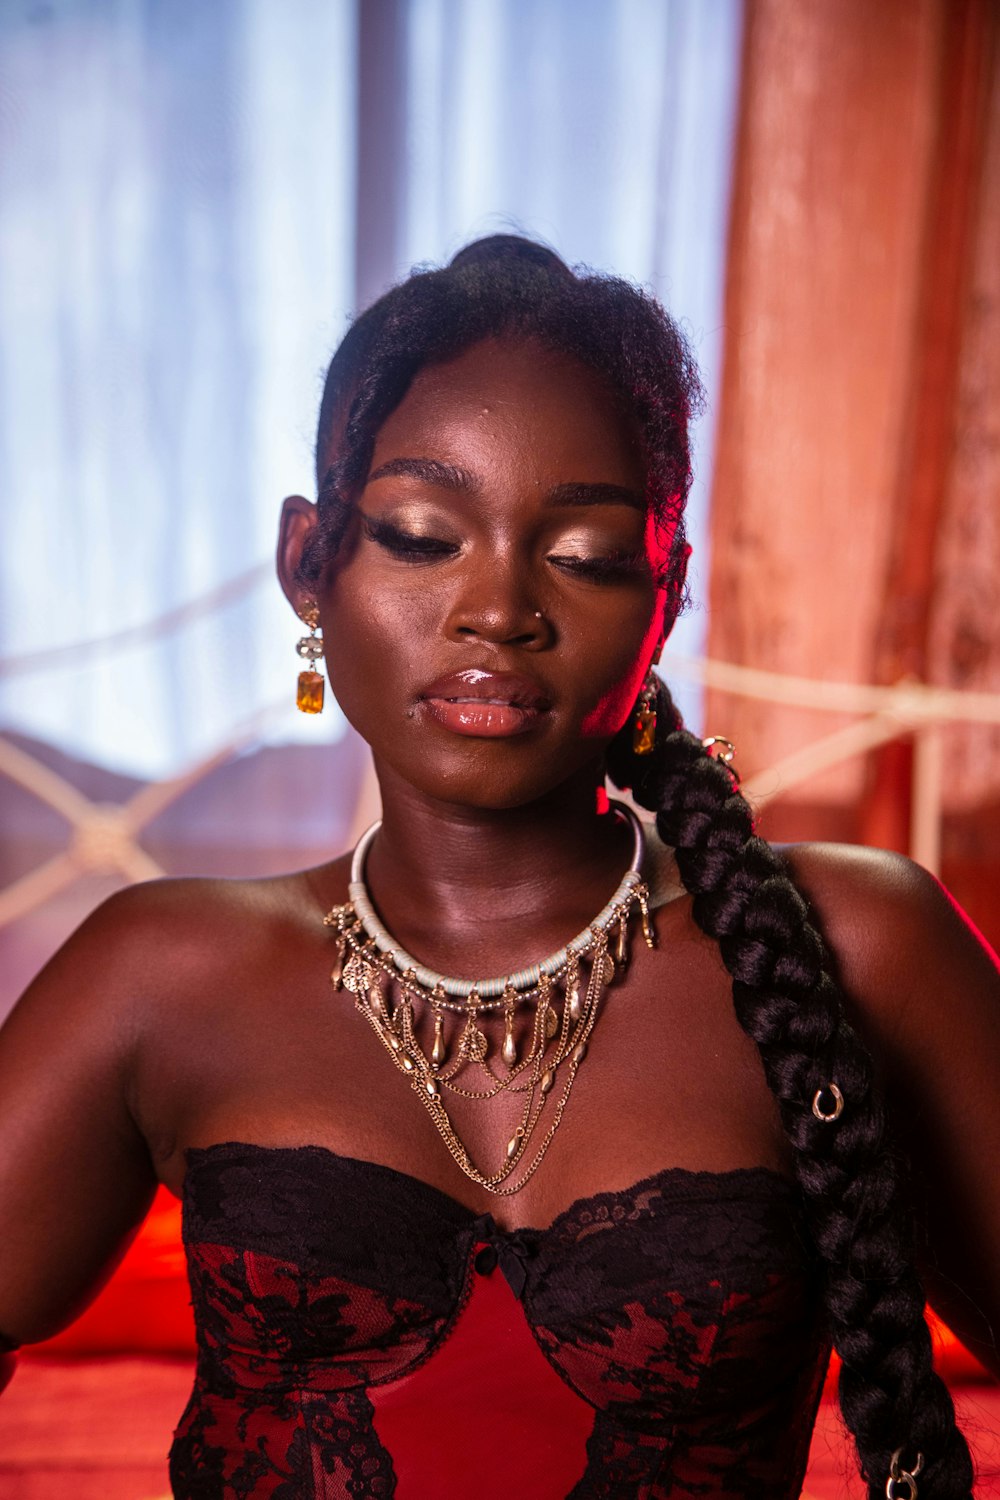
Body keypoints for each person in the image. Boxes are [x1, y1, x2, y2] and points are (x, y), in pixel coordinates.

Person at [0, 236, 996, 1500]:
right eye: (423, 536)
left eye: (580, 556)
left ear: (665, 592)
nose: (498, 609)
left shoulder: (857, 946)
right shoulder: (163, 976)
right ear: (311, 564)